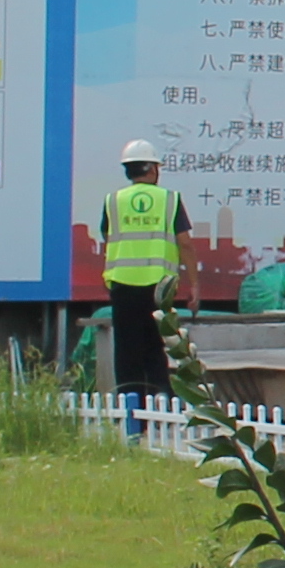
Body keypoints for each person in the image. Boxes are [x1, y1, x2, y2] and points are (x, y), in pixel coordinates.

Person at [99, 138, 191, 397]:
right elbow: (185, 243)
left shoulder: (113, 200)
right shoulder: (169, 199)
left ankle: (131, 406)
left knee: (126, 349)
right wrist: (194, 284)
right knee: (157, 345)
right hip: (160, 286)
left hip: (122, 284)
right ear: (151, 168)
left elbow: (107, 237)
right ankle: (160, 401)